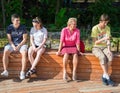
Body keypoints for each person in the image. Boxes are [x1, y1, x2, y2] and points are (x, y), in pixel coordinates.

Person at [1, 14, 28, 80]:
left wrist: (18, 46)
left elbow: (24, 39)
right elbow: (9, 39)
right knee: (6, 51)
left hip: (21, 44)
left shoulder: (23, 27)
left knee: (24, 52)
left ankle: (22, 72)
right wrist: (13, 46)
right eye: (17, 20)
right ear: (12, 21)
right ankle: (5, 71)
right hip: (12, 44)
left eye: (19, 20)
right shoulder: (9, 27)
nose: (18, 21)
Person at [91, 14, 115, 86]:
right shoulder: (95, 28)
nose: (105, 24)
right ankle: (107, 77)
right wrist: (103, 39)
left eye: (107, 22)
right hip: (96, 47)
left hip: (105, 47)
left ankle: (104, 75)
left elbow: (108, 41)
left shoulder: (107, 28)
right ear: (100, 21)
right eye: (104, 22)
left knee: (110, 57)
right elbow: (95, 42)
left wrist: (109, 50)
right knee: (102, 57)